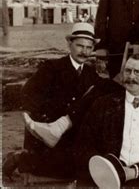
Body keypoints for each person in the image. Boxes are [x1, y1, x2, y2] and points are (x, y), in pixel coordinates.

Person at [2, 23, 103, 179]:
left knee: (82, 166)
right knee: (72, 167)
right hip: (47, 128)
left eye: (89, 48)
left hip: (73, 132)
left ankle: (21, 159)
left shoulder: (90, 73)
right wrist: (43, 119)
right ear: (70, 44)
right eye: (80, 46)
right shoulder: (52, 67)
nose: (84, 51)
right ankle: (20, 159)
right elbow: (29, 93)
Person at [74, 54, 139, 188]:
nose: (131, 77)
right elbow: (84, 144)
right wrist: (106, 167)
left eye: (138, 72)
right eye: (128, 71)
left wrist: (135, 171)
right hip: (106, 178)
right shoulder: (103, 104)